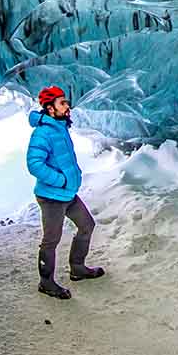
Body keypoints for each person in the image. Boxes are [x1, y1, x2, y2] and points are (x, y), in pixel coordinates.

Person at [26, 85, 104, 299]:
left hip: (67, 194)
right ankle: (46, 282)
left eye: (66, 102)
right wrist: (61, 180)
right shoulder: (42, 133)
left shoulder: (60, 128)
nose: (67, 106)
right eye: (62, 103)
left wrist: (68, 182)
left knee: (87, 225)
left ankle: (77, 268)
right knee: (51, 240)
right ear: (50, 108)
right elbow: (34, 164)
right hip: (52, 197)